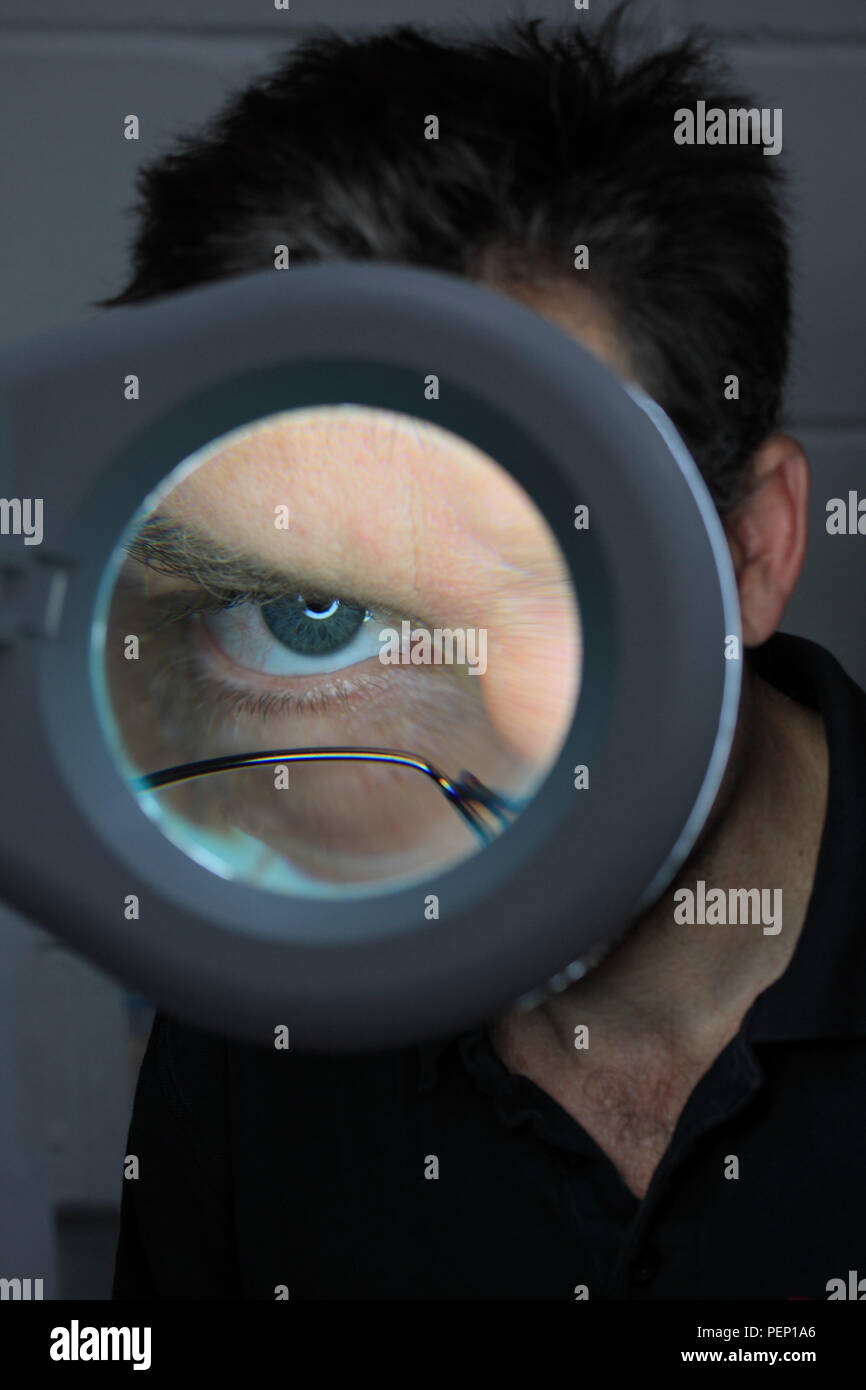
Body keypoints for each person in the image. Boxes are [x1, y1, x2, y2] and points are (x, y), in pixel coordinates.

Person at [108, 12, 866, 1301]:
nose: (452, 761)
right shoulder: (256, 1008)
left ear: (752, 551)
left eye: (550, 573)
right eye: (311, 621)